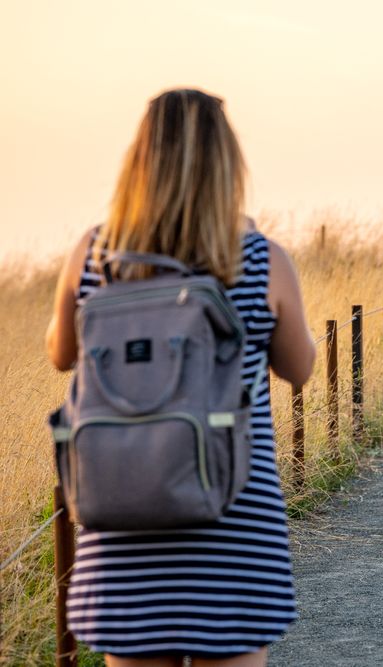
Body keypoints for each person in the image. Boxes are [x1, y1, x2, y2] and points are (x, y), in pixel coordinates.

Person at [45, 88, 316, 666]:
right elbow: (301, 368)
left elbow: (59, 354)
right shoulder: (261, 258)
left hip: (122, 523)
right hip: (234, 523)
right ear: (226, 164)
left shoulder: (93, 254)